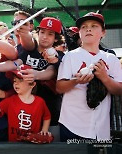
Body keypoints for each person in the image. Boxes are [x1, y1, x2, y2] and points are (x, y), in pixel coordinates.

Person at [56, 12, 122, 141]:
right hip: (72, 123)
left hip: (101, 126)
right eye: (84, 27)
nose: (88, 29)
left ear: (103, 32)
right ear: (79, 33)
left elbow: (119, 90)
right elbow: (59, 87)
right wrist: (76, 81)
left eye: (94, 26)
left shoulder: (111, 58)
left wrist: (104, 77)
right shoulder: (70, 56)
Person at [0, 64, 51, 142]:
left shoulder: (40, 102)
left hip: (33, 145)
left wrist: (44, 130)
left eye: (20, 80)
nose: (16, 83)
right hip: (14, 145)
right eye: (14, 81)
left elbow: (47, 116)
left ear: (32, 84)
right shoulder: (11, 100)